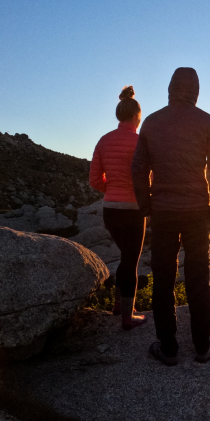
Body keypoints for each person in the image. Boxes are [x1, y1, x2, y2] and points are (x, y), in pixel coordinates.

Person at [132, 67, 210, 365]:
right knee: (198, 278)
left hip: (162, 212)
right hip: (197, 212)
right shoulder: (207, 122)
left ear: (171, 88)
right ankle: (202, 347)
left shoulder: (151, 121)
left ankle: (169, 348)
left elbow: (138, 168)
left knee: (163, 278)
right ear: (196, 90)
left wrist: (146, 206)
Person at [89, 86, 147, 331]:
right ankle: (127, 316)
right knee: (131, 261)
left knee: (125, 257)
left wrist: (112, 189)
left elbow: (94, 180)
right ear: (137, 116)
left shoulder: (104, 140)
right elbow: (148, 177)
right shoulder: (142, 142)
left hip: (110, 209)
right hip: (134, 209)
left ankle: (116, 305)